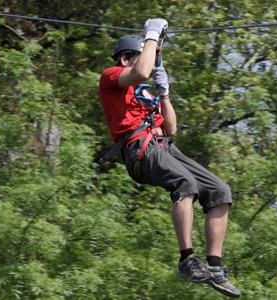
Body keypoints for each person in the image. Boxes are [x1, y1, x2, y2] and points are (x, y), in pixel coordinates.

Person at [98, 18, 241, 298]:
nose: (149, 66)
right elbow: (140, 73)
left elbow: (171, 128)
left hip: (163, 144)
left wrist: (164, 95)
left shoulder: (142, 93)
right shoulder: (112, 77)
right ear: (127, 57)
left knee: (220, 191)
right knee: (185, 183)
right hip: (139, 147)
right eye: (143, 57)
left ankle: (214, 266)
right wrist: (152, 34)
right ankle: (187, 259)